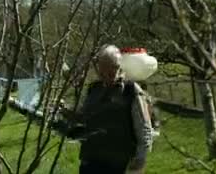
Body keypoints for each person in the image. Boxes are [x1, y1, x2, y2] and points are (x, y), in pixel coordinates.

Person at [62, 45, 153, 174]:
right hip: (91, 161)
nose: (106, 77)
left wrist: (140, 160)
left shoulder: (130, 91)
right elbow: (84, 117)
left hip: (118, 163)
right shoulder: (94, 90)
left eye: (110, 72)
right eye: (102, 73)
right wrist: (65, 110)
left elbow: (143, 128)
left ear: (118, 67)